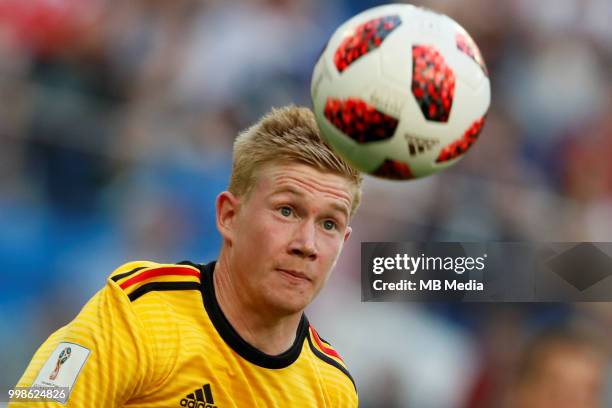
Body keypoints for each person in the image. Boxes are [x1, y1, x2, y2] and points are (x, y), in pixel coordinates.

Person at [10, 106, 362, 407]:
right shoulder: (140, 313)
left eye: (329, 224)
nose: (307, 244)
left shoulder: (331, 391)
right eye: (287, 211)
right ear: (229, 216)